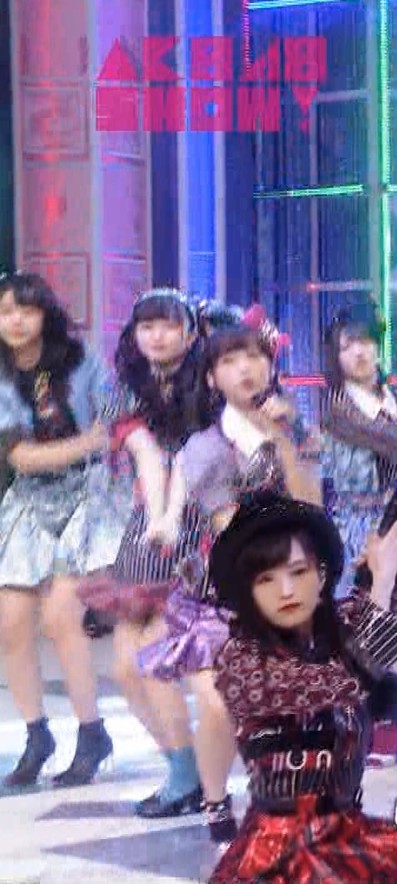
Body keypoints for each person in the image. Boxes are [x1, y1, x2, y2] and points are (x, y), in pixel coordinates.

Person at [206, 492, 397, 884]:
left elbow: (394, 601)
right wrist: (383, 580)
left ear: (321, 575)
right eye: (266, 580)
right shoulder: (241, 658)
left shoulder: (334, 628)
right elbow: (347, 681)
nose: (286, 590)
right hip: (281, 850)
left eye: (298, 572)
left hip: (344, 830)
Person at [138, 303, 319, 841]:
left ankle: (278, 802)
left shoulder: (294, 433)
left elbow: (311, 505)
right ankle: (216, 800)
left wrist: (286, 441)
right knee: (219, 706)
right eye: (231, 360)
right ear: (213, 378)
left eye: (255, 357)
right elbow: (231, 526)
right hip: (218, 597)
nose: (246, 369)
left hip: (286, 592)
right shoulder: (204, 447)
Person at [79, 288, 214, 812]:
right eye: (146, 326)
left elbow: (194, 459)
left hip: (201, 524)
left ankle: (191, 778)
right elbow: (147, 455)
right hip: (149, 525)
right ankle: (182, 768)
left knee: (155, 660)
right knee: (124, 669)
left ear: (189, 331)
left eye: (168, 325)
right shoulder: (124, 386)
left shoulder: (209, 379)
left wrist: (171, 520)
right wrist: (158, 519)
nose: (157, 336)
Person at [0, 271, 123, 787]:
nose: (15, 321)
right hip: (30, 499)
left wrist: (95, 444)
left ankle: (92, 731)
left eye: (25, 310)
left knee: (60, 616)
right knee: (10, 621)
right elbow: (21, 457)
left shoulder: (81, 360)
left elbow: (112, 424)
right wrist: (83, 443)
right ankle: (37, 735)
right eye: (6, 312)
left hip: (86, 496)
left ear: (45, 314)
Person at [318, 301, 397, 766]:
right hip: (352, 527)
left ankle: (384, 719)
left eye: (367, 341)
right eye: (349, 345)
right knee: (352, 629)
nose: (360, 352)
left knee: (381, 625)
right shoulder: (336, 407)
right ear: (335, 354)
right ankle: (377, 716)